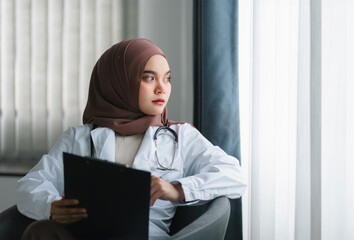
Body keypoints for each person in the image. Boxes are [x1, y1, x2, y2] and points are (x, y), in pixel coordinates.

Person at [16, 38, 247, 240]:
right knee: (42, 231)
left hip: (146, 236)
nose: (162, 89)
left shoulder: (181, 136)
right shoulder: (79, 137)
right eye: (149, 78)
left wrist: (177, 190)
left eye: (167, 79)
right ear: (117, 82)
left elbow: (234, 176)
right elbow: (29, 186)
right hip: (86, 234)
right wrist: (52, 207)